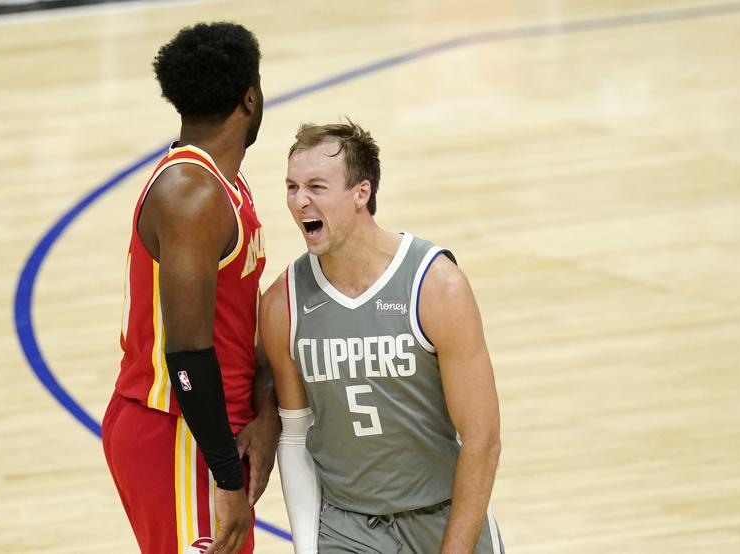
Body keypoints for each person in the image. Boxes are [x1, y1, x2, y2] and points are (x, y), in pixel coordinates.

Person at [259, 121, 504, 553]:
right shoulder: (284, 303)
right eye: (292, 187)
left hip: (442, 515)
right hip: (348, 525)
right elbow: (295, 436)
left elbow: (482, 438)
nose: (300, 201)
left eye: (316, 186)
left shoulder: (436, 286)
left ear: (361, 193)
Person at [102, 22, 278, 554]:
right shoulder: (191, 196)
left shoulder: (223, 182)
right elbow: (186, 353)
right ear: (250, 97)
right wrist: (225, 477)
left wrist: (266, 408)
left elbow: (231, 322)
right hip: (179, 431)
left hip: (207, 427)